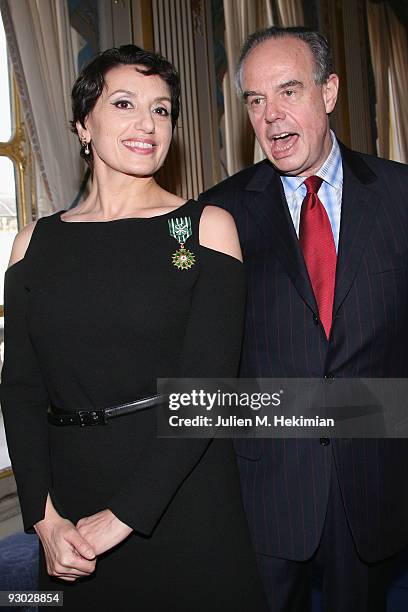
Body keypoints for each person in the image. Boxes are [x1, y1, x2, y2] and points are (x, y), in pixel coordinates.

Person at [0, 45, 266, 611]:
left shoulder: (202, 229)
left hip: (181, 495)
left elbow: (209, 393)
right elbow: (21, 392)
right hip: (68, 507)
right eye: (124, 103)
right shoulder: (33, 245)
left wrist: (121, 518)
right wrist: (45, 520)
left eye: (162, 110)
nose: (148, 124)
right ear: (82, 125)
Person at [198, 26, 408, 612]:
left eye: (288, 91)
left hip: (373, 477)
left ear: (329, 92)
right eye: (255, 101)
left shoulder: (401, 196)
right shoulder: (217, 213)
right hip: (265, 484)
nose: (271, 116)